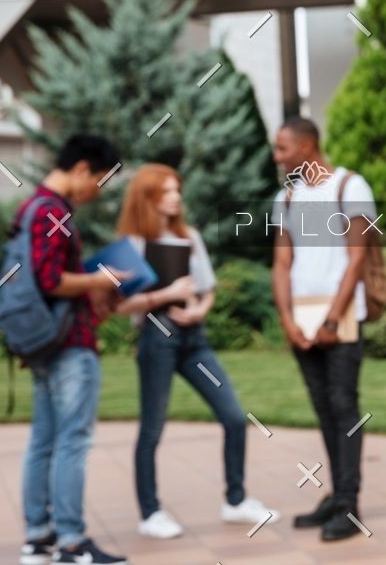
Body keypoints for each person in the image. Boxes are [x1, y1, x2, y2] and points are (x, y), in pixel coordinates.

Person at [112, 163, 278, 539]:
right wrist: (164, 296)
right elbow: (118, 305)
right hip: (157, 339)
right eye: (167, 191)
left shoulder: (190, 236)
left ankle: (235, 501)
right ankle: (150, 513)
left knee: (234, 417)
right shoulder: (132, 244)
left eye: (177, 190)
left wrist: (200, 308)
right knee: (152, 428)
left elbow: (207, 287)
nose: (176, 197)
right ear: (148, 197)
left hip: (194, 339)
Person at [13, 134, 130, 565]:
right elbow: (50, 281)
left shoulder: (30, 208)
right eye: (100, 180)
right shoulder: (53, 211)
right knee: (71, 442)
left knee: (44, 439)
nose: (99, 191)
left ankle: (38, 537)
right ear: (82, 168)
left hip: (42, 341)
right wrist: (101, 280)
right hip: (67, 346)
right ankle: (72, 543)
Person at [271, 117, 377, 542]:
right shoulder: (288, 197)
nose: (277, 156)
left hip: (341, 319)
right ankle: (336, 496)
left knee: (343, 406)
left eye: (282, 148)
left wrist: (333, 318)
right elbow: (281, 263)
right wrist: (287, 321)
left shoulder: (350, 187)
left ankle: (349, 504)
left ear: (308, 144)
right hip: (302, 321)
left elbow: (356, 259)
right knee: (323, 408)